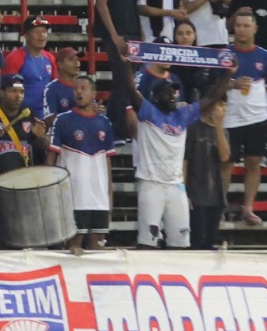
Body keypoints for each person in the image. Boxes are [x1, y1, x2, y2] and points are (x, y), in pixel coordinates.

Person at [129, 50, 200, 249]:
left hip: (177, 186)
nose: (174, 95)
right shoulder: (147, 111)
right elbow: (129, 88)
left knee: (181, 242)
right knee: (148, 242)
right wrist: (126, 62)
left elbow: (211, 100)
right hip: (151, 185)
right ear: (156, 95)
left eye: (176, 91)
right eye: (169, 91)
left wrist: (229, 73)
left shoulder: (183, 115)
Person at [218, 9, 267, 226]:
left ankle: (248, 208)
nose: (241, 30)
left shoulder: (264, 56)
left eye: (246, 26)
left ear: (255, 28)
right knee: (226, 164)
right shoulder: (225, 54)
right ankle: (220, 208)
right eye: (238, 26)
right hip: (230, 118)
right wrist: (233, 83)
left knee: (254, 163)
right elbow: (214, 86)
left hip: (258, 119)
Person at [50, 79, 118, 247]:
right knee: (73, 248)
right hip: (74, 197)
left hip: (99, 199)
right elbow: (51, 158)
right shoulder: (63, 120)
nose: (78, 92)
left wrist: (109, 196)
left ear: (93, 93)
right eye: (75, 89)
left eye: (83, 88)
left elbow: (107, 163)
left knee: (98, 250)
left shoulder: (105, 123)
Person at [183, 93, 231, 250]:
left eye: (224, 105)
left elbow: (224, 157)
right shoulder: (193, 129)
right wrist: (184, 192)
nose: (222, 110)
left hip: (215, 194)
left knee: (211, 239)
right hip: (196, 192)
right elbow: (185, 161)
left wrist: (218, 127)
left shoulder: (223, 132)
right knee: (198, 239)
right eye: (219, 105)